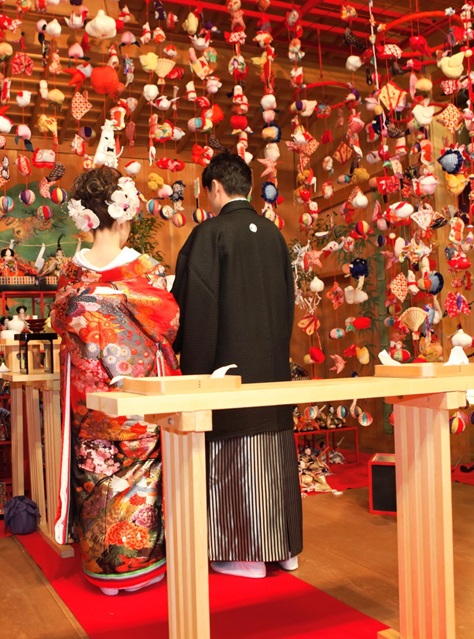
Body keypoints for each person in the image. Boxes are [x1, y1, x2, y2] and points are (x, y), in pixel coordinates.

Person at [172, 151, 303, 579]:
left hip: (227, 374)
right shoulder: (273, 235)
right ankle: (284, 549)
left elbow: (195, 310)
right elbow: (288, 308)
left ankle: (244, 553)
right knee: (275, 454)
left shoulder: (210, 235)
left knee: (235, 456)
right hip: (272, 369)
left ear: (214, 188)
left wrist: (195, 370)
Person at [51, 166, 180, 595]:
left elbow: (62, 325)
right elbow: (170, 323)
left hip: (91, 405)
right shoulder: (148, 273)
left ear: (85, 218)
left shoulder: (70, 276)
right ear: (125, 216)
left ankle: (103, 572)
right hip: (138, 400)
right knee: (140, 481)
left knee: (96, 480)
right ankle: (142, 565)